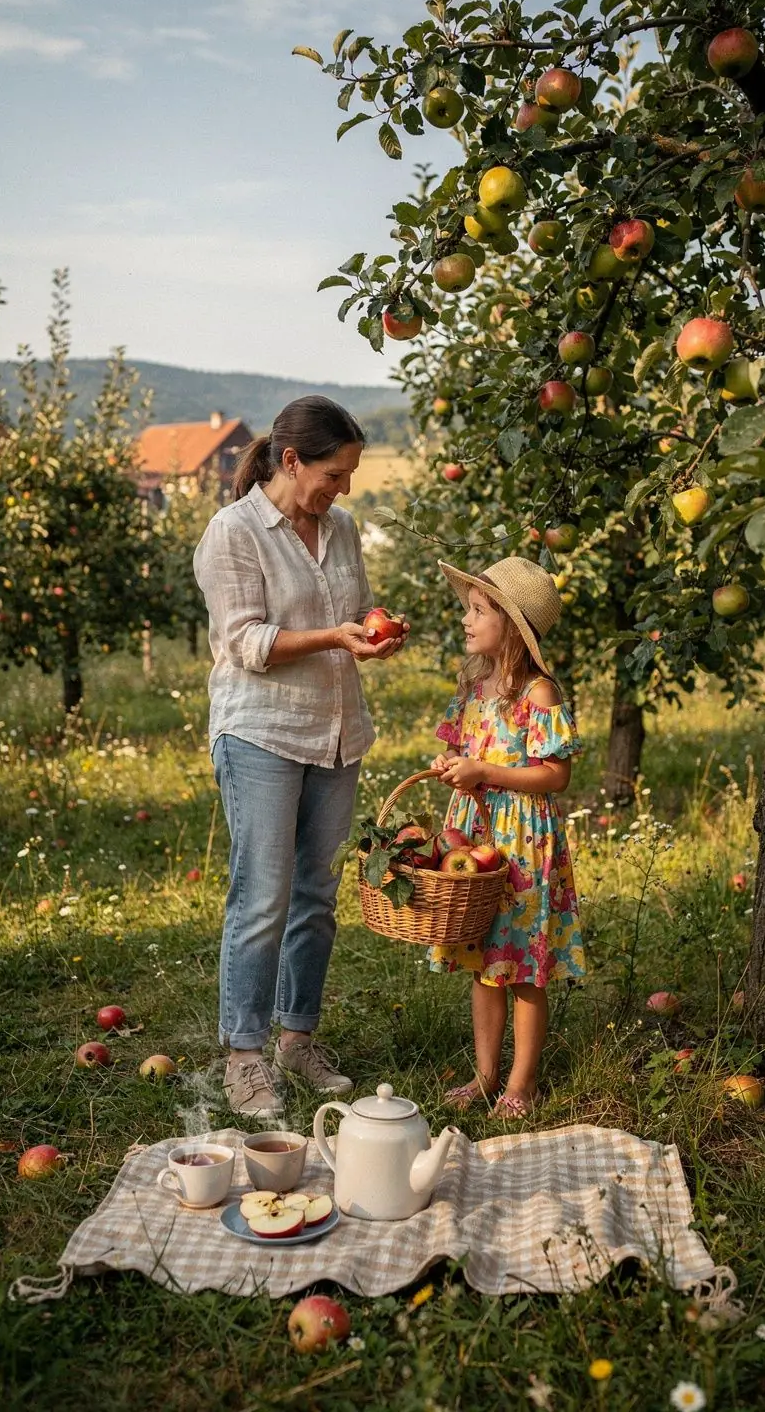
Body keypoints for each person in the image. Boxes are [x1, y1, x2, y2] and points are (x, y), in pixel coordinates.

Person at [193, 394, 406, 1119]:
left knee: (316, 895)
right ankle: (245, 1057)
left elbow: (353, 615)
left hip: (337, 730)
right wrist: (334, 637)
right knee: (263, 895)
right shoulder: (234, 532)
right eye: (334, 474)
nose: (342, 488)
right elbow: (244, 643)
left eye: (349, 474)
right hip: (261, 731)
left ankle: (297, 1040)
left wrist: (372, 638)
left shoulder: (341, 529)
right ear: (291, 460)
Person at [428, 555, 585, 1118]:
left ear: (513, 627)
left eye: (478, 610)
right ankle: (485, 1074)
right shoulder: (475, 688)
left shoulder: (537, 694)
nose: (465, 619)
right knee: (484, 962)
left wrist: (484, 772)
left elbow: (557, 775)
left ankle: (522, 1083)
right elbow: (464, 750)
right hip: (477, 838)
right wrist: (452, 762)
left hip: (522, 844)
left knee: (523, 968)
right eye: (467, 609)